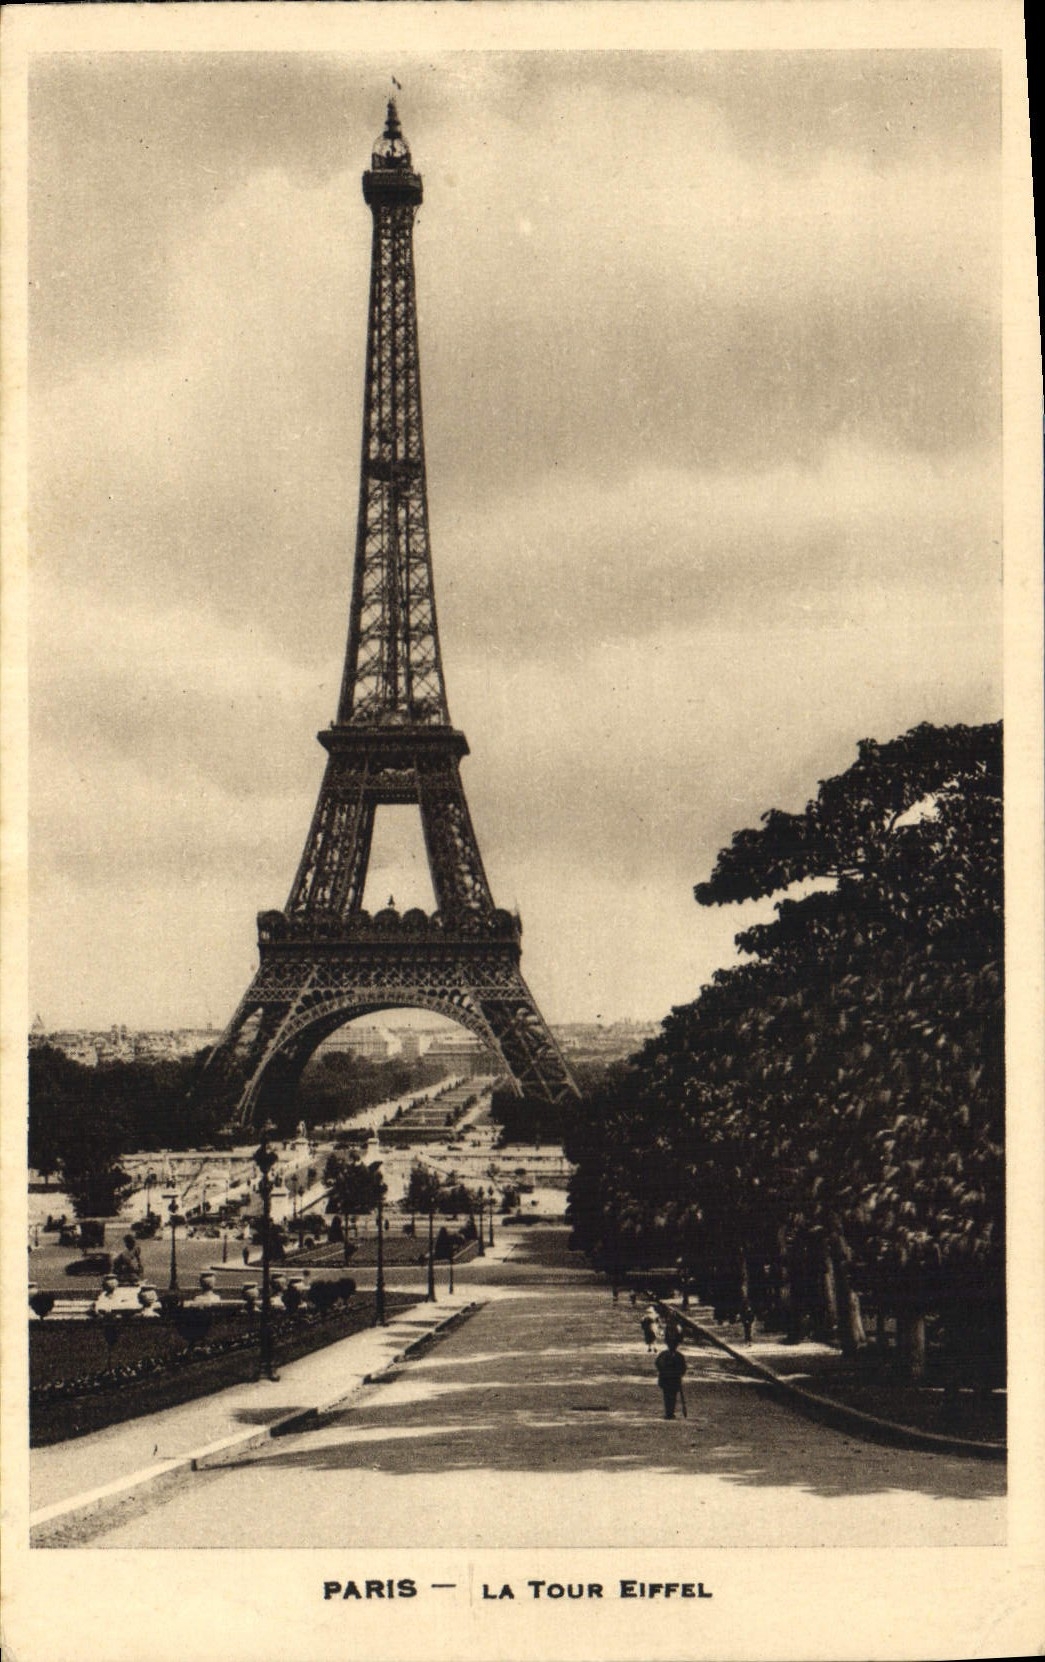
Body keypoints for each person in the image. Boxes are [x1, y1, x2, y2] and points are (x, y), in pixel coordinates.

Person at [654, 1340, 688, 1420]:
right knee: (668, 1396)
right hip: (667, 1379)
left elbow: (683, 1368)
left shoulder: (678, 1356)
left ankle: (670, 1412)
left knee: (671, 1396)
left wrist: (678, 1374)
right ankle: (669, 1412)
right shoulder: (664, 1355)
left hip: (673, 1379)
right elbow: (658, 1364)